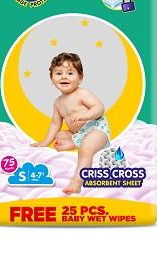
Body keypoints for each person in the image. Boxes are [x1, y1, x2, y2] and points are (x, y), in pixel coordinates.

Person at [31, 52, 110, 194]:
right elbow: (55, 124)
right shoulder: (58, 102)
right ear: (51, 78)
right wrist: (46, 141)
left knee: (85, 149)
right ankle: (75, 142)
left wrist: (85, 116)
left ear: (80, 78)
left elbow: (99, 108)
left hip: (97, 129)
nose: (64, 77)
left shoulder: (82, 93)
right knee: (59, 136)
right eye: (59, 73)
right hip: (79, 133)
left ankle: (77, 182)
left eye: (70, 73)